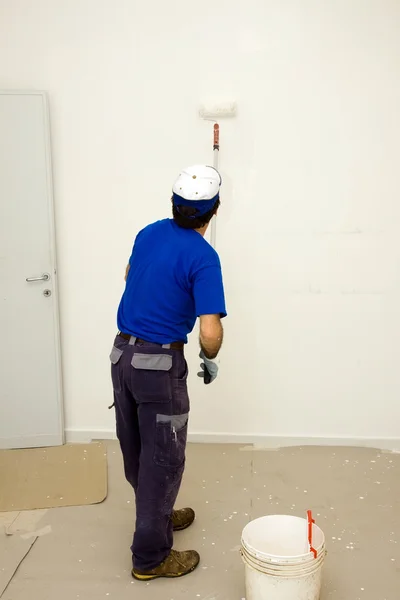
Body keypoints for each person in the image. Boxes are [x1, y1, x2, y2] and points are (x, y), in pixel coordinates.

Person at [110, 165, 227, 581]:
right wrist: (208, 356)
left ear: (174, 205)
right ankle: (151, 558)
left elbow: (129, 273)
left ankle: (156, 515)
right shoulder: (203, 257)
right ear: (214, 211)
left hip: (122, 356)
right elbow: (210, 332)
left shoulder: (149, 232)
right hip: (159, 369)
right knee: (164, 460)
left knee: (138, 450)